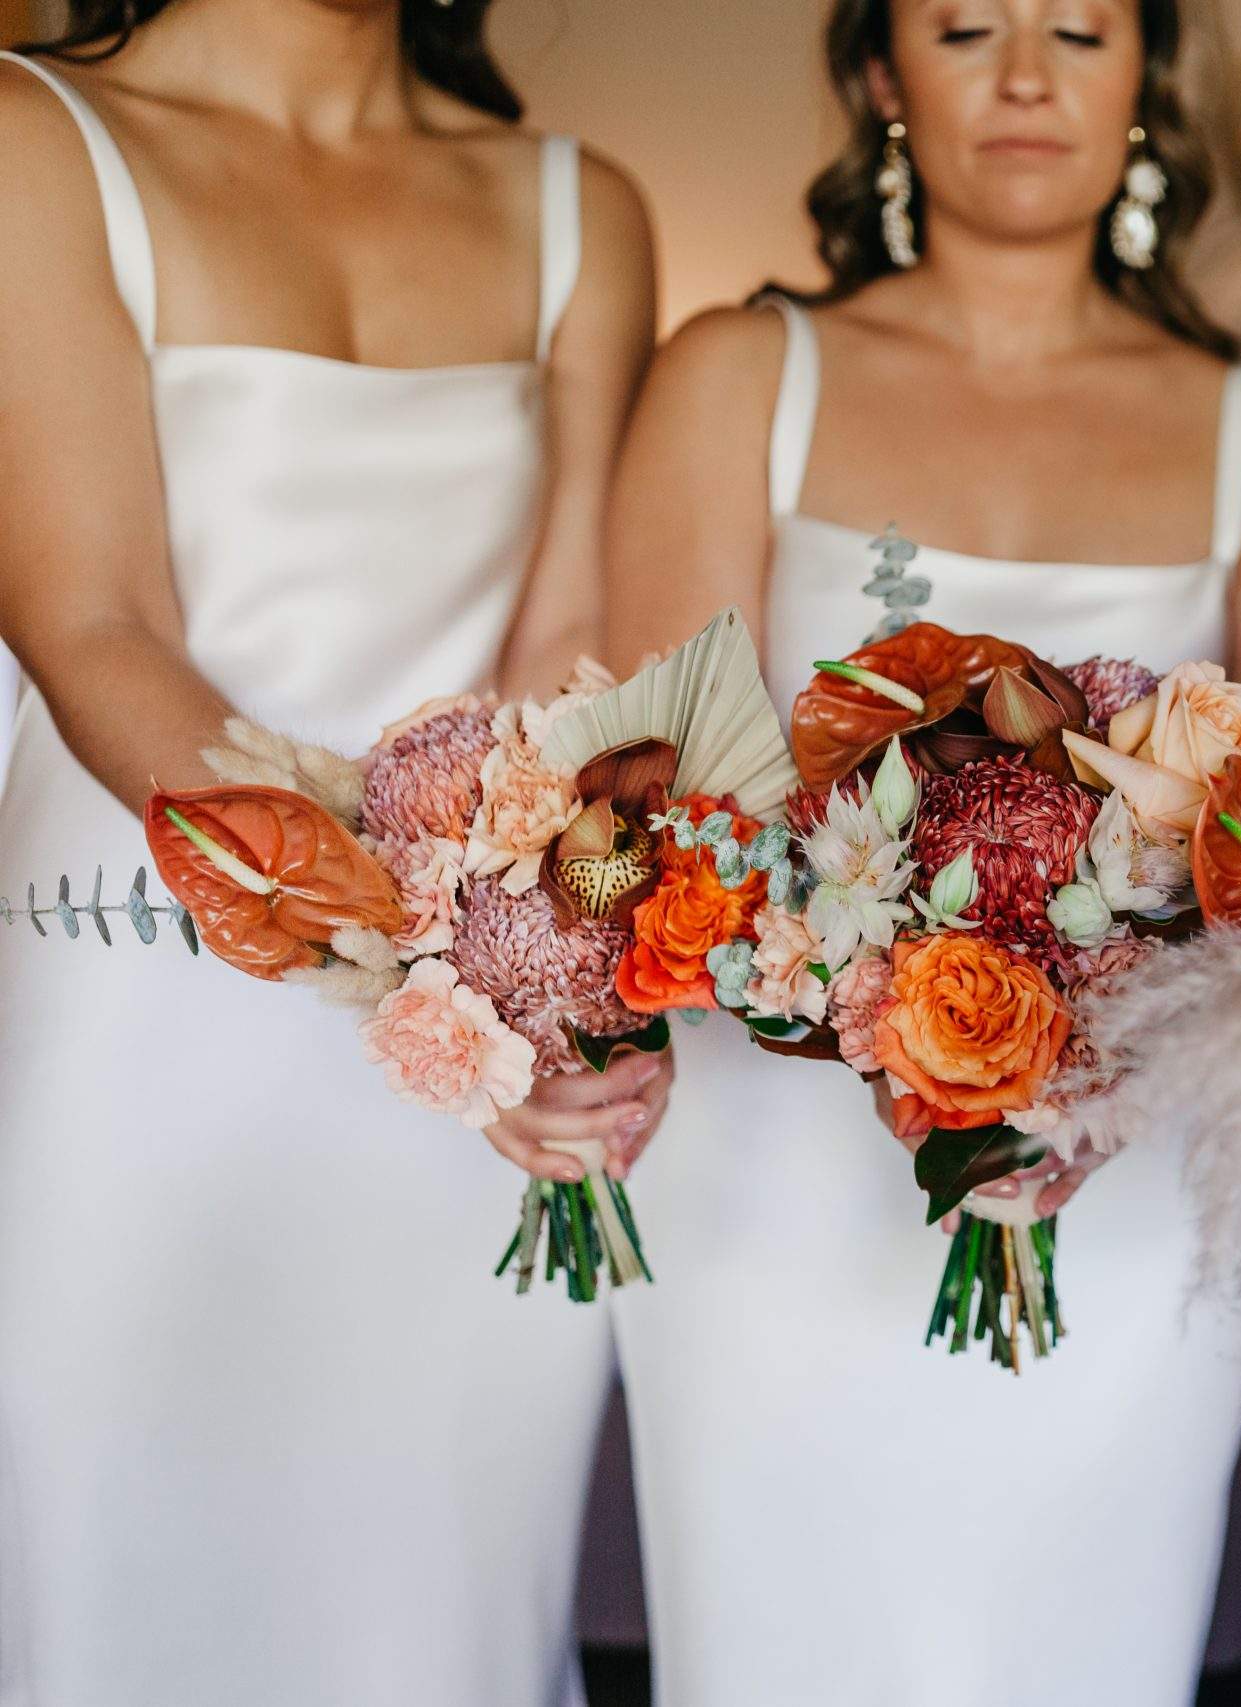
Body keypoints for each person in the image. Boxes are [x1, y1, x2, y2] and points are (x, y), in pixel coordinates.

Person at [599, 0, 1241, 1700]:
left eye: (1077, 28)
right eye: (964, 26)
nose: (1023, 78)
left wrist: (1097, 1082)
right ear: (880, 73)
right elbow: (667, 803)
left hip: (1123, 1174)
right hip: (777, 1178)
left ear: (1143, 76)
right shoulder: (741, 374)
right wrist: (880, 992)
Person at [0, 1, 660, 1701]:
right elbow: (94, 628)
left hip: (473, 1088)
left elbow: (569, 659)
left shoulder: (581, 210)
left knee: (434, 1617)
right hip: (150, 1023)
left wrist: (563, 982)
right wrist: (425, 978)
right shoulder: (34, 141)